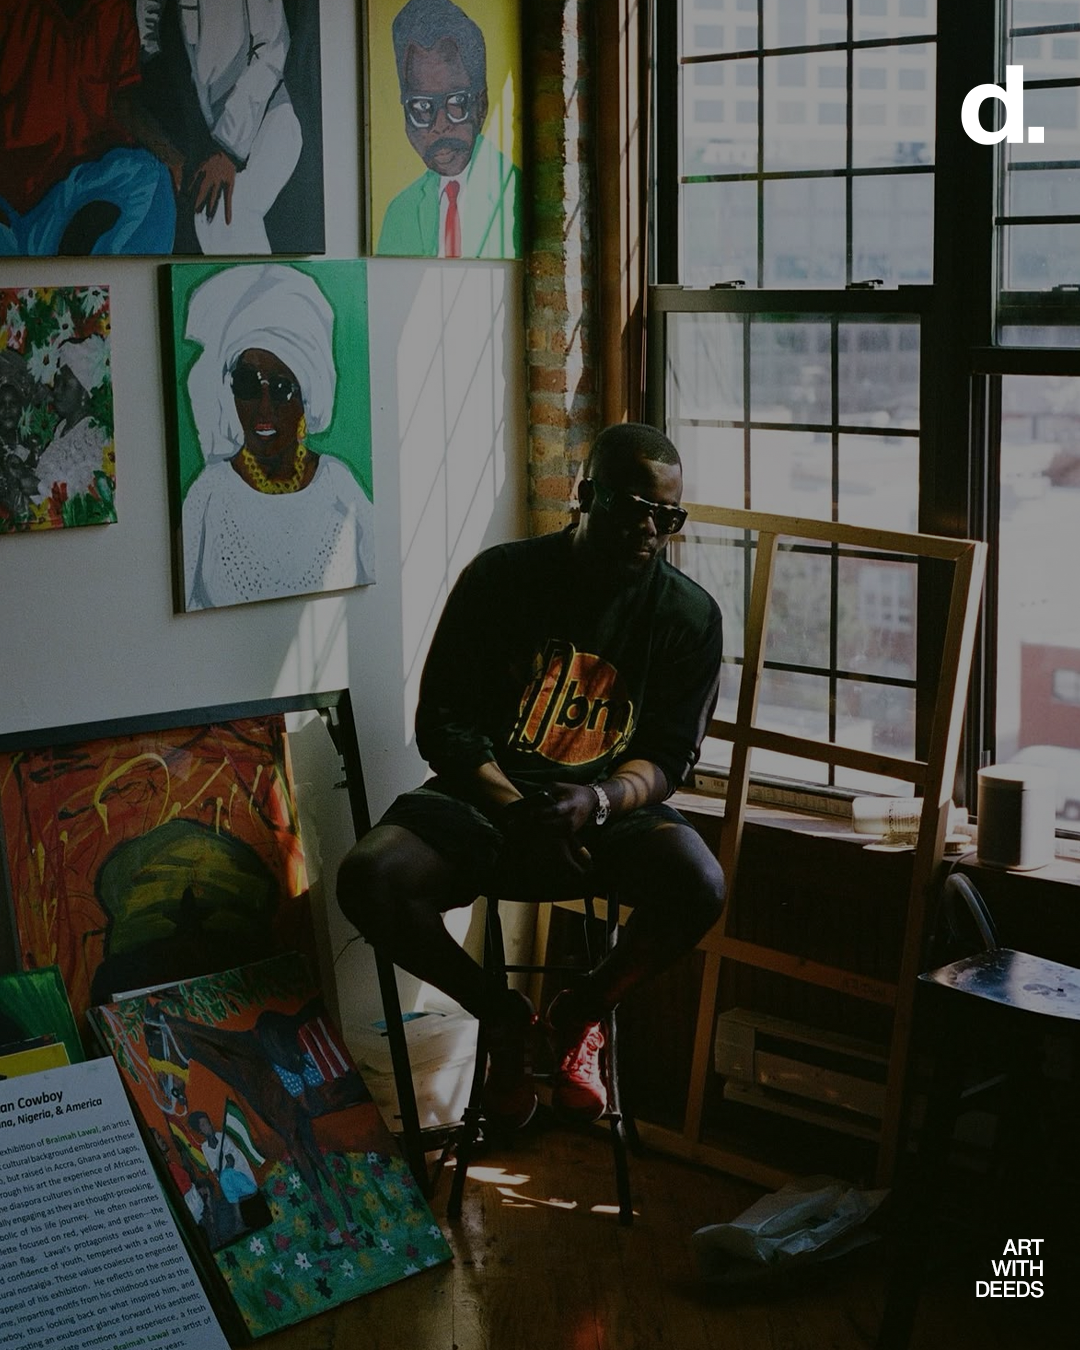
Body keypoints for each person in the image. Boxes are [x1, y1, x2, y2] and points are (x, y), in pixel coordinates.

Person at [337, 423, 726, 1129]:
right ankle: (504, 1017)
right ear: (585, 495)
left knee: (699, 883)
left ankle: (581, 1013)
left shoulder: (688, 615)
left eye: (666, 518)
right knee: (370, 876)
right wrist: (517, 805)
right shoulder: (501, 578)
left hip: (601, 813)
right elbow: (444, 725)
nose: (648, 529)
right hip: (486, 799)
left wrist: (599, 800)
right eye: (632, 507)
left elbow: (669, 759)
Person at [181, 264, 375, 610]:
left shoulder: (339, 487)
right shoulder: (208, 495)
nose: (263, 408)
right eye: (247, 384)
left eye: (283, 388)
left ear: (307, 396)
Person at [0, 0, 177, 256]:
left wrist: (173, 158)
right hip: (11, 200)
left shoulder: (113, 9)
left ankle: (112, 286)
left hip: (78, 186)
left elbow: (124, 101)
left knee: (153, 176)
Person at [135, 0, 303, 254]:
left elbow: (271, 50)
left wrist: (227, 149)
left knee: (221, 219)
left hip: (268, 123)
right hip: (204, 133)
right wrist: (151, 51)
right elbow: (148, 16)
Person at [377, 0, 520, 259]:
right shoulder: (400, 212)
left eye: (457, 103)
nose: (439, 125)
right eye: (421, 106)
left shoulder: (515, 195)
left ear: (482, 105)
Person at [33, 335, 111, 506]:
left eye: (65, 385)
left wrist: (36, 487)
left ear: (84, 395)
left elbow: (81, 501)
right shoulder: (62, 428)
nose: (57, 391)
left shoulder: (93, 436)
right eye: (57, 383)